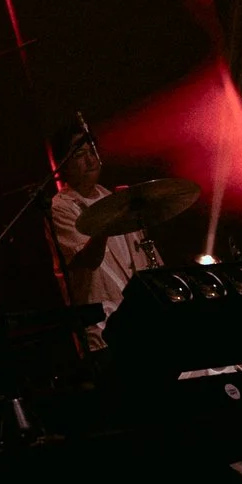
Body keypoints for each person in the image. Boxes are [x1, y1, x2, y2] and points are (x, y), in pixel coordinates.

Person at [47, 120, 160, 350]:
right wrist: (109, 220)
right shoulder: (60, 208)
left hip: (142, 321)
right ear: (63, 165)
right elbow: (88, 259)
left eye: (92, 152)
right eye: (80, 155)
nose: (90, 161)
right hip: (103, 328)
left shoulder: (112, 197)